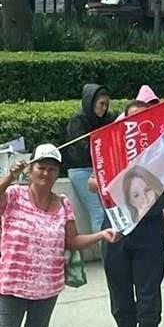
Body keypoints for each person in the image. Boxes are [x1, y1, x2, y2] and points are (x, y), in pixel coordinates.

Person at [0, 145, 118, 327]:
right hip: (12, 285)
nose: (46, 172)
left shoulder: (63, 203)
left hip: (48, 287)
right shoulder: (14, 195)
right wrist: (9, 176)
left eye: (52, 169)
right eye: (41, 167)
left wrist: (101, 235)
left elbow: (73, 241)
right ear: (31, 170)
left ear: (57, 173)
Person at [96, 100, 164, 327]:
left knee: (148, 280)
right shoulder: (111, 146)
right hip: (117, 224)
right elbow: (93, 183)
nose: (135, 124)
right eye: (130, 119)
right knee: (117, 278)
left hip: (149, 225)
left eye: (142, 117)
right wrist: (110, 184)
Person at [63, 83, 112, 235]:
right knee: (98, 211)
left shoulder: (107, 119)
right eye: (101, 104)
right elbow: (82, 147)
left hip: (101, 169)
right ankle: (106, 253)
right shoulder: (77, 121)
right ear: (91, 102)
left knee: (109, 211)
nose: (104, 108)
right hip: (81, 170)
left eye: (106, 104)